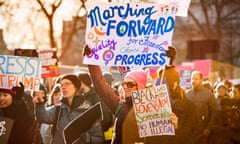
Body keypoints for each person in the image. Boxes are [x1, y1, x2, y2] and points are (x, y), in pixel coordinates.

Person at [83, 45, 179, 144]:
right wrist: (91, 59)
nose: (125, 87)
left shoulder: (155, 107)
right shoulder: (119, 105)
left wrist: (174, 126)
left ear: (140, 85)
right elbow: (99, 84)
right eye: (124, 83)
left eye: (130, 84)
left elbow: (163, 140)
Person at [33, 73, 104, 144]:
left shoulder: (88, 110)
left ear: (76, 87)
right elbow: (42, 117)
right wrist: (39, 104)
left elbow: (99, 139)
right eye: (61, 85)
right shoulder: (58, 109)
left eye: (67, 84)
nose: (63, 87)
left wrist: (89, 139)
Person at [186, 70, 219, 144]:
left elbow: (215, 112)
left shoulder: (208, 94)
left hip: (203, 132)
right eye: (192, 79)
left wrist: (208, 128)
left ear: (201, 80)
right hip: (190, 134)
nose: (193, 81)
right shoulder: (187, 94)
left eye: (196, 79)